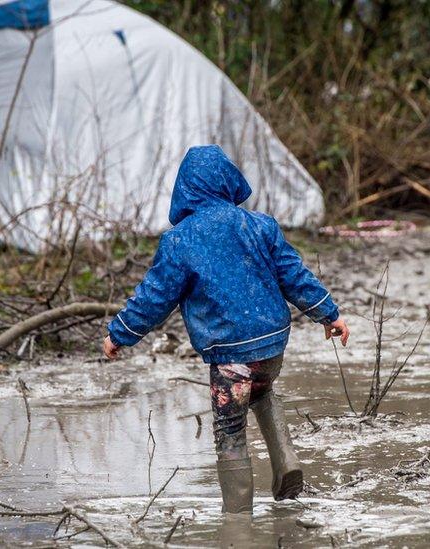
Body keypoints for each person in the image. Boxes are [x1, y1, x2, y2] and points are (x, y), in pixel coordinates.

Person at [101, 145, 350, 515]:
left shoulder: (180, 241)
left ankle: (237, 519)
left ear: (184, 190)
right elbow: (294, 275)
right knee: (262, 392)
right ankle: (287, 461)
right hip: (271, 344)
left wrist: (120, 333)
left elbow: (155, 296)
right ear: (228, 182)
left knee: (230, 428)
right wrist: (329, 314)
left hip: (230, 354)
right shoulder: (260, 226)